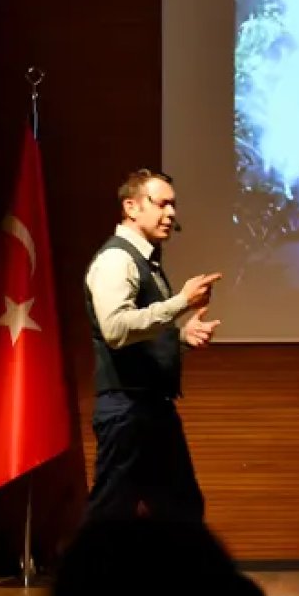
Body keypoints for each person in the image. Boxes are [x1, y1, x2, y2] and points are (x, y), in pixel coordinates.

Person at [82, 169, 222, 523]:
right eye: (162, 204)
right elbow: (115, 328)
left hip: (151, 410)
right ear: (131, 207)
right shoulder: (117, 259)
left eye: (173, 205)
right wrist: (180, 303)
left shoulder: (144, 260)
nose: (171, 214)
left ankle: (165, 580)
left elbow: (141, 333)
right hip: (127, 409)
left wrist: (180, 339)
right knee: (112, 516)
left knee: (181, 510)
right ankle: (89, 579)